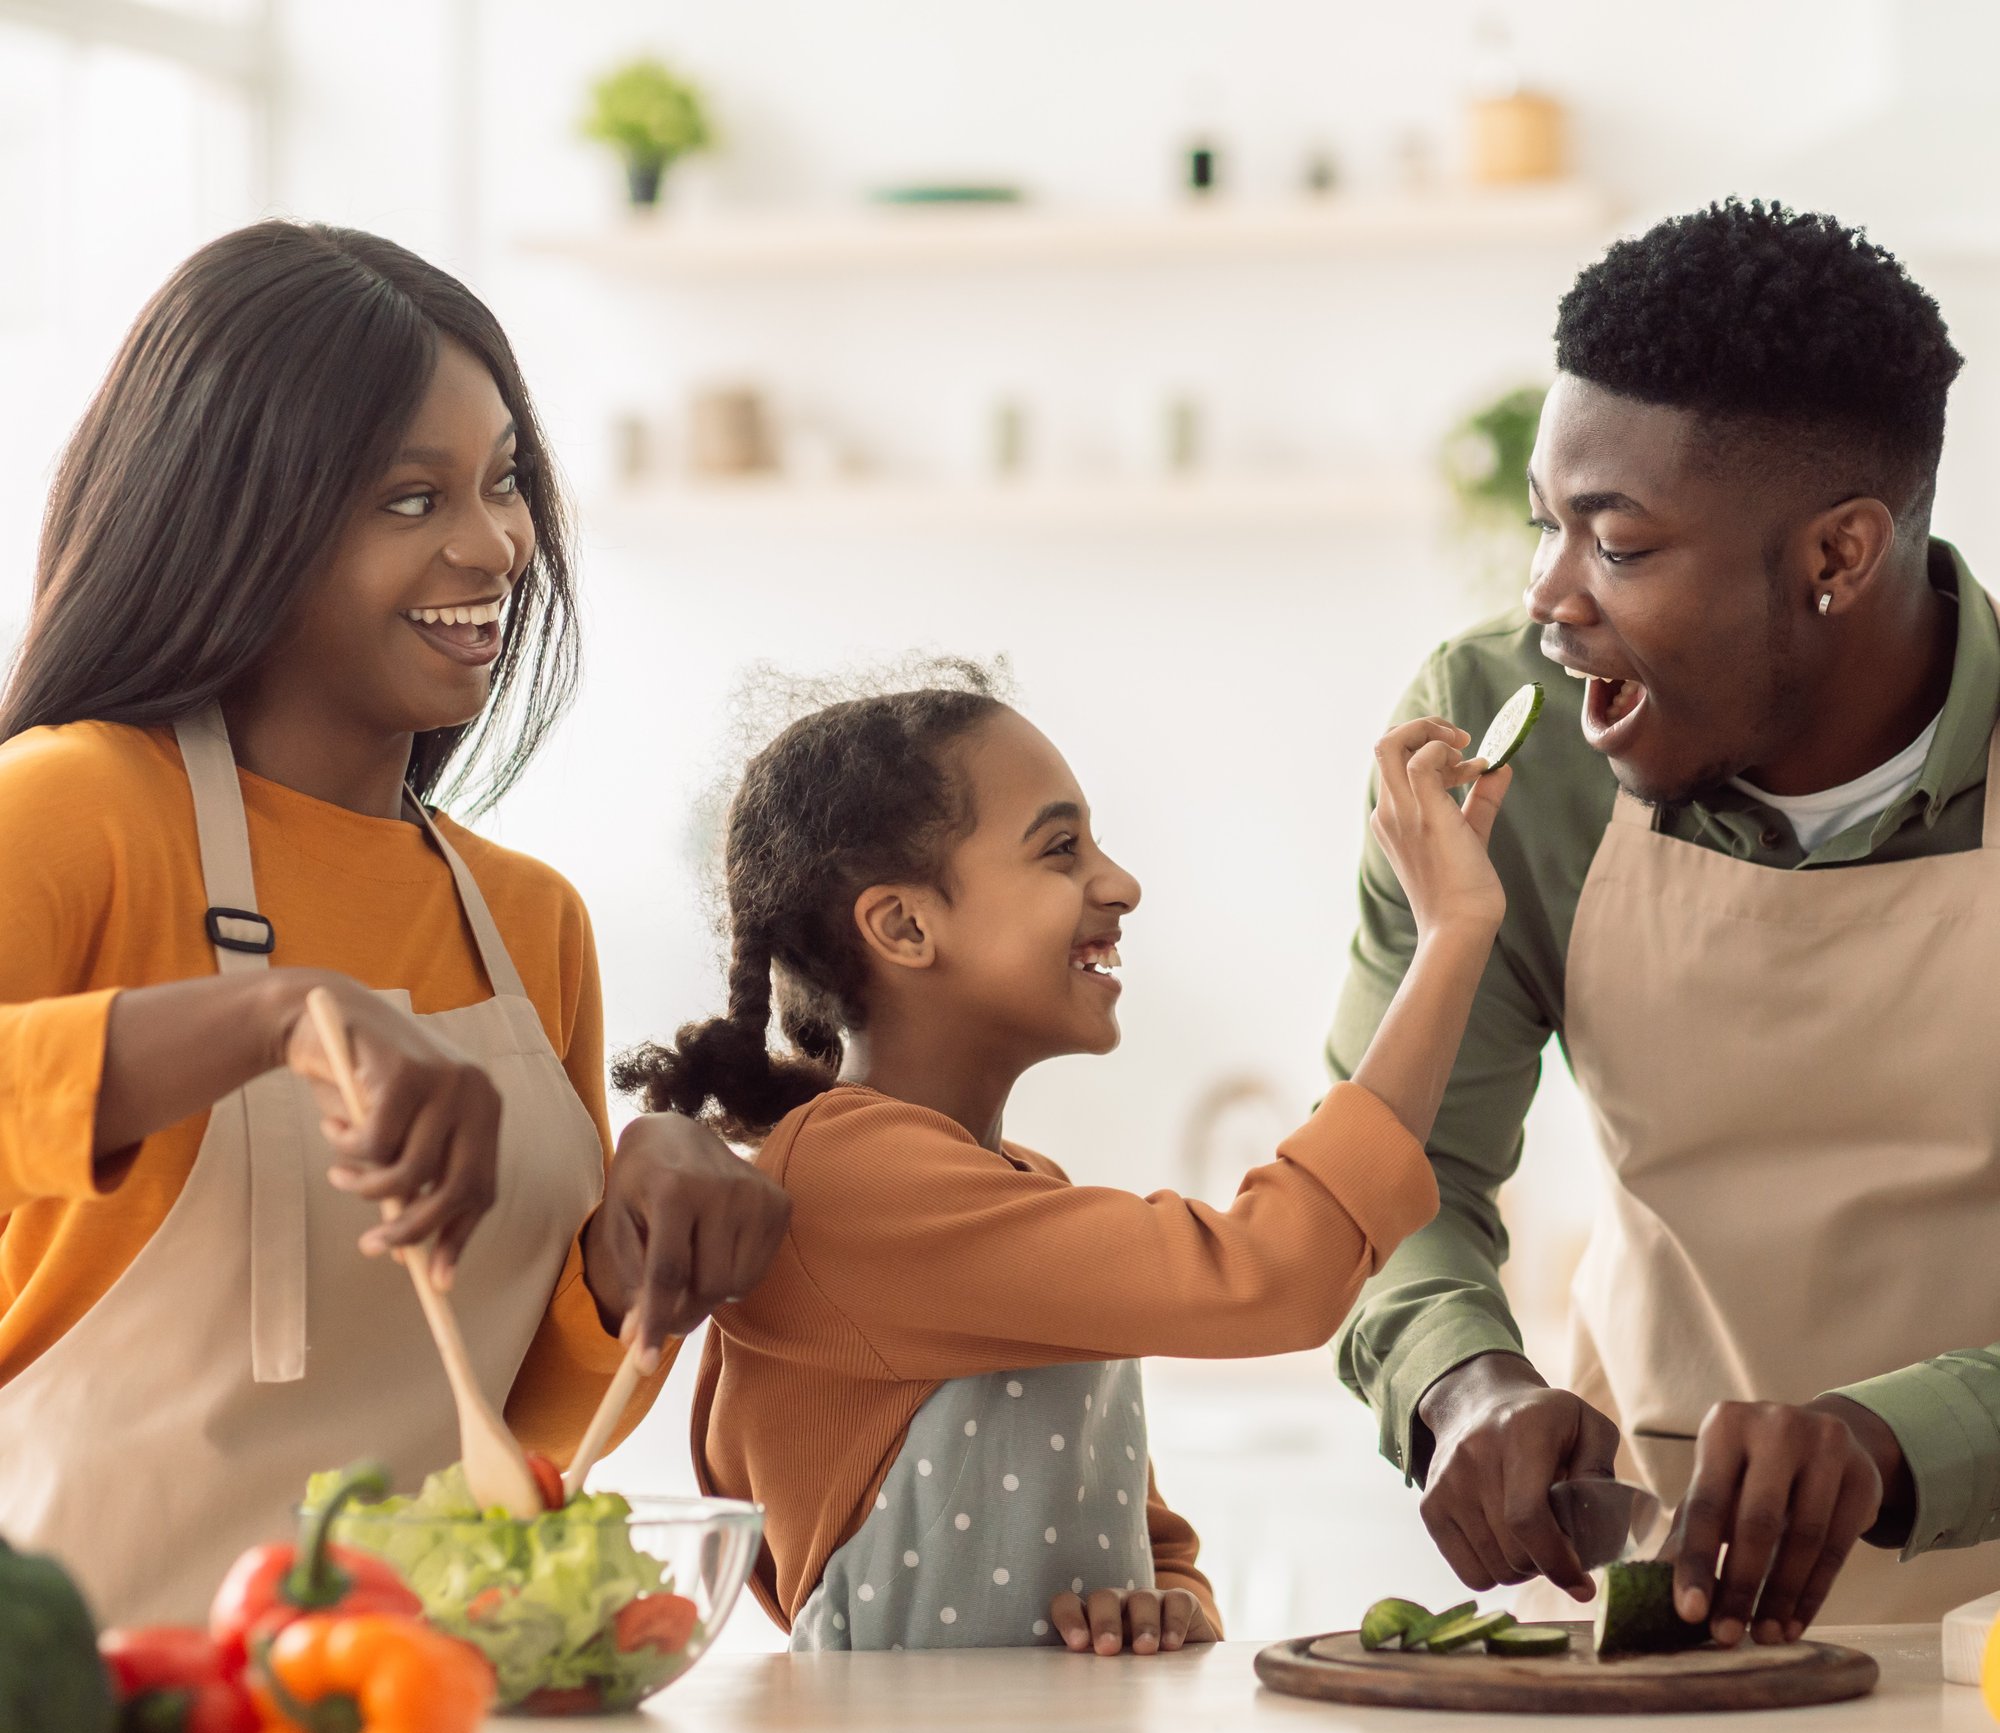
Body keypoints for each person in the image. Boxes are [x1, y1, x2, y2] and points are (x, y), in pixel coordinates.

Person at [0, 221, 788, 1626]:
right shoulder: (69, 810)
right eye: (409, 499)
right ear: (240, 519)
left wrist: (638, 1234)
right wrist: (267, 1014)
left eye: (502, 484)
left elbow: (523, 1432)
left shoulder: (525, 920)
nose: (493, 545)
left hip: (414, 1725)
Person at [1330, 199, 2000, 1639]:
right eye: (1546, 524)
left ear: (1836, 556)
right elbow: (1393, 1171)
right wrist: (1465, 1380)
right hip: (1649, 1610)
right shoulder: (1509, 744)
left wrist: (1894, 1442)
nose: (1548, 598)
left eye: (1618, 547)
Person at [619, 664, 1509, 1653]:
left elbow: (1149, 1539)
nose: (1118, 883)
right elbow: (1273, 1274)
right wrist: (1450, 934)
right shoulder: (847, 1181)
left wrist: (1165, 1601)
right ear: (904, 925)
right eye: (1058, 849)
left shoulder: (1011, 1184)